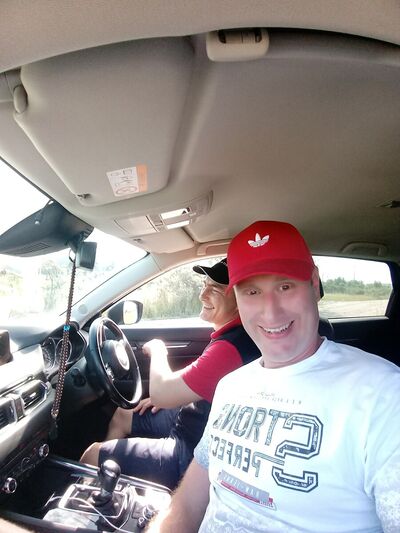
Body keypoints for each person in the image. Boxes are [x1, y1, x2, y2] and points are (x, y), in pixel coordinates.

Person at [148, 221, 400, 532]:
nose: (271, 312)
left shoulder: (384, 395)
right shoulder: (231, 386)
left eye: (285, 286)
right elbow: (186, 505)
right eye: (252, 291)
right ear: (237, 298)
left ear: (314, 284)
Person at [80, 258, 260, 489]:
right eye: (204, 285)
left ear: (240, 298)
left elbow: (161, 393)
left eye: (215, 289)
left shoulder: (230, 348)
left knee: (92, 454)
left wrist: (158, 350)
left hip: (189, 450)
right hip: (194, 420)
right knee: (124, 414)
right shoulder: (235, 336)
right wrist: (170, 399)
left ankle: (91, 500)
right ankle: (107, 486)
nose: (202, 295)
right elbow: (193, 387)